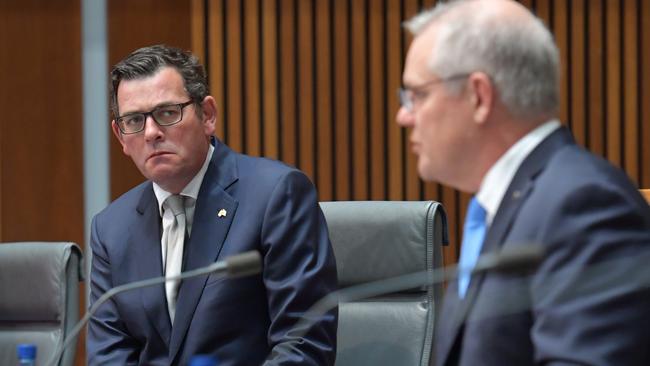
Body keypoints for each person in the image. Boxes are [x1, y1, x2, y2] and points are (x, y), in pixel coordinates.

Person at [396, 1, 650, 365]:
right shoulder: (507, 204)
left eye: (417, 95)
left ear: (479, 96)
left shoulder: (584, 205)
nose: (403, 115)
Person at [87, 45, 338, 365]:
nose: (151, 133)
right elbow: (110, 355)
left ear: (207, 115)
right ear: (120, 136)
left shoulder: (276, 195)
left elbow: (304, 343)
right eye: (134, 120)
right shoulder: (111, 228)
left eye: (167, 113)